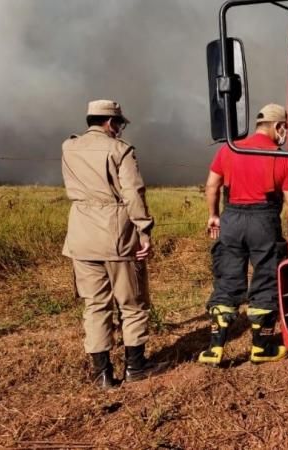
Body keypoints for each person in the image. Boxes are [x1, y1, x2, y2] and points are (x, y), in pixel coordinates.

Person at [62, 99, 166, 389]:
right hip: (116, 234)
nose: (120, 129)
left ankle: (103, 375)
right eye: (119, 124)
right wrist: (144, 230)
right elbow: (133, 193)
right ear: (110, 123)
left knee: (95, 305)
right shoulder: (121, 150)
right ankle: (136, 367)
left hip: (80, 234)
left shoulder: (68, 147)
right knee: (132, 303)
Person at [199, 103, 288, 365]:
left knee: (227, 279)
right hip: (264, 221)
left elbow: (212, 185)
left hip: (231, 218)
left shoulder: (229, 148)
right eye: (283, 128)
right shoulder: (282, 155)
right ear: (278, 126)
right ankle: (261, 348)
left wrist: (213, 214)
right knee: (265, 279)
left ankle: (214, 349)